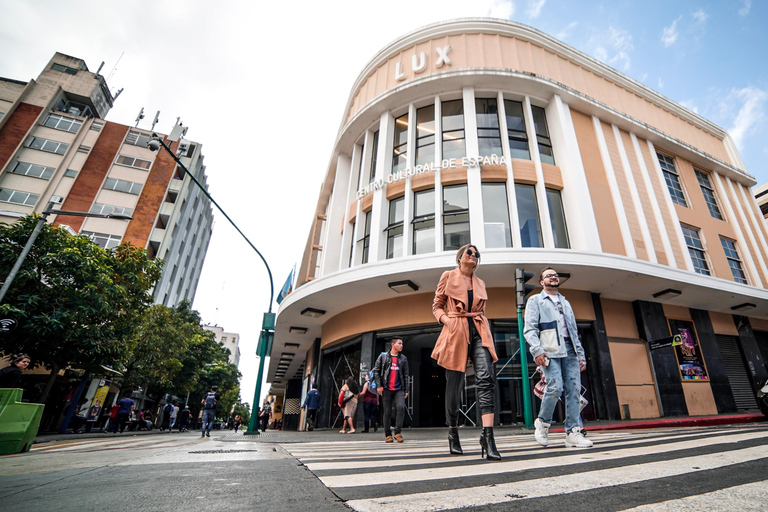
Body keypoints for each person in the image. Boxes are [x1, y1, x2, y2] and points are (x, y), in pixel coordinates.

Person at [432, 244, 500, 460]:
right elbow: (437, 306)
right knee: (454, 386)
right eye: (470, 252)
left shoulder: (481, 282)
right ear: (460, 257)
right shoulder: (448, 275)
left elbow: (482, 310)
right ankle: (453, 431)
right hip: (456, 329)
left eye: (477, 253)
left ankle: (488, 436)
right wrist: (447, 321)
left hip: (479, 328)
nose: (474, 255)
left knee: (486, 379)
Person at [524, 267, 593, 449]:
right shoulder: (536, 300)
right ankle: (543, 423)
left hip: (570, 349)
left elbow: (573, 330)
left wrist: (581, 355)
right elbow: (530, 329)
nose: (553, 277)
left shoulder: (565, 302)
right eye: (548, 275)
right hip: (549, 349)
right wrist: (537, 350)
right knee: (555, 387)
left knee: (574, 389)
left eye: (555, 275)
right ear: (542, 282)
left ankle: (573, 433)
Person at [373, 338, 409, 443]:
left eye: (402, 343)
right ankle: (387, 434)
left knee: (401, 408)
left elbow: (406, 375)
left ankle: (397, 432)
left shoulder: (403, 359)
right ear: (393, 344)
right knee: (387, 412)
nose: (401, 345)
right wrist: (379, 386)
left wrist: (406, 389)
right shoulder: (383, 357)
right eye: (399, 343)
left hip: (399, 389)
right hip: (387, 388)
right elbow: (376, 371)